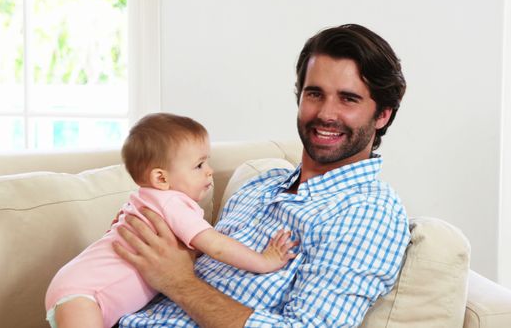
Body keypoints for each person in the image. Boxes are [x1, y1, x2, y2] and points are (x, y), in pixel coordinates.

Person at [113, 23, 412, 327]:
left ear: (383, 114)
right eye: (314, 94)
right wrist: (144, 237)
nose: (325, 113)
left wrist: (179, 282)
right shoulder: (259, 184)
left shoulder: (369, 212)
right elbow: (193, 260)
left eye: (348, 98)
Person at [44, 113, 297, 328]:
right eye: (199, 165)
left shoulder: (149, 201)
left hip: (79, 289)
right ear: (161, 179)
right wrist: (264, 261)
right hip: (84, 293)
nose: (209, 170)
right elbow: (216, 245)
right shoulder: (170, 203)